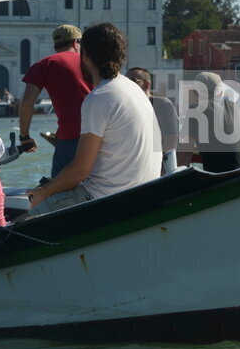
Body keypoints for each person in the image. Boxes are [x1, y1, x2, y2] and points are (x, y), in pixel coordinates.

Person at [27, 23, 161, 215]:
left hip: (106, 198)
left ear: (86, 56)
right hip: (143, 193)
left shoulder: (98, 98)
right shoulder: (134, 90)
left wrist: (42, 193)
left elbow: (80, 170)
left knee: (31, 216)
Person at [18, 25, 93, 177]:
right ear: (76, 43)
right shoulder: (92, 62)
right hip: (101, 135)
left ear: (55, 46)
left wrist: (24, 137)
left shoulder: (43, 65)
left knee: (61, 193)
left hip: (69, 138)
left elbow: (27, 103)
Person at [185, 72, 240, 173]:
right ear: (221, 92)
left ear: (196, 93)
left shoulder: (195, 110)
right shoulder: (238, 108)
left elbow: (185, 153)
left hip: (222, 179)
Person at [126, 67, 180, 176]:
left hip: (155, 172)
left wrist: (165, 171)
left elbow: (171, 139)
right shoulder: (125, 107)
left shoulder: (162, 105)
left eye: (132, 81)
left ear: (147, 85)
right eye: (125, 82)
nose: (127, 85)